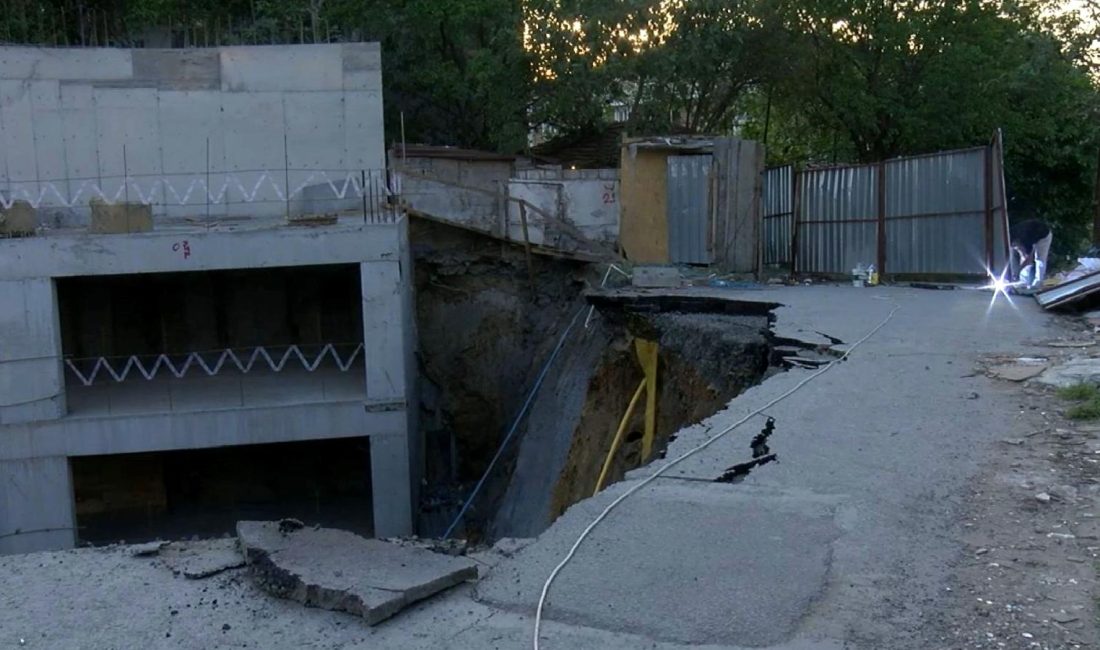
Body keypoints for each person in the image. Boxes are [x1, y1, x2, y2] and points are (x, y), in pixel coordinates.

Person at [1010, 218, 1052, 290]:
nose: (1015, 247)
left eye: (1015, 245)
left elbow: (1028, 259)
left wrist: (1018, 272)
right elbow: (1020, 253)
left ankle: (1037, 284)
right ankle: (1021, 282)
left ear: (1018, 241)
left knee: (1040, 260)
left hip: (1043, 236)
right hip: (1031, 231)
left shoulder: (1026, 240)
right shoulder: (1010, 235)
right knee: (1014, 254)